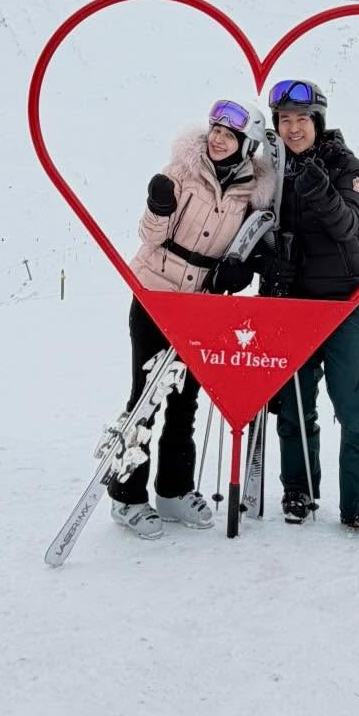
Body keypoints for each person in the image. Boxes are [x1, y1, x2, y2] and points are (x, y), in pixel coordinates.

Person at [108, 100, 272, 538]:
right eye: (215, 129)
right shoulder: (182, 171)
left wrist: (239, 270)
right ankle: (127, 497)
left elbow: (246, 245)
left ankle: (173, 490)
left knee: (185, 399)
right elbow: (150, 236)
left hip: (201, 304)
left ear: (246, 145)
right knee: (146, 397)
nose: (218, 138)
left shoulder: (249, 192)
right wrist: (158, 207)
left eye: (229, 135)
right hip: (156, 294)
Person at [263, 79, 359, 540]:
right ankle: (298, 489)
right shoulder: (272, 171)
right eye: (284, 121)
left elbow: (348, 225)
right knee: (295, 408)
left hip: (343, 305)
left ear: (317, 122)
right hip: (292, 307)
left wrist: (319, 189)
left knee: (358, 406)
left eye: (301, 120)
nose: (293, 129)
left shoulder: (346, 166)